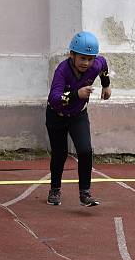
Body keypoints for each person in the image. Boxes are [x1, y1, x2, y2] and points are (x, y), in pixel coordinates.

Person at [45, 31, 111, 206]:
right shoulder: (62, 71)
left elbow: (103, 65)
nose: (86, 63)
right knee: (60, 154)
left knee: (85, 150)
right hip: (56, 115)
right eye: (82, 58)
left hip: (78, 115)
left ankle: (85, 192)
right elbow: (54, 97)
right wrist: (76, 94)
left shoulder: (95, 65)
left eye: (90, 59)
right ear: (71, 55)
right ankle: (55, 189)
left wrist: (106, 85)